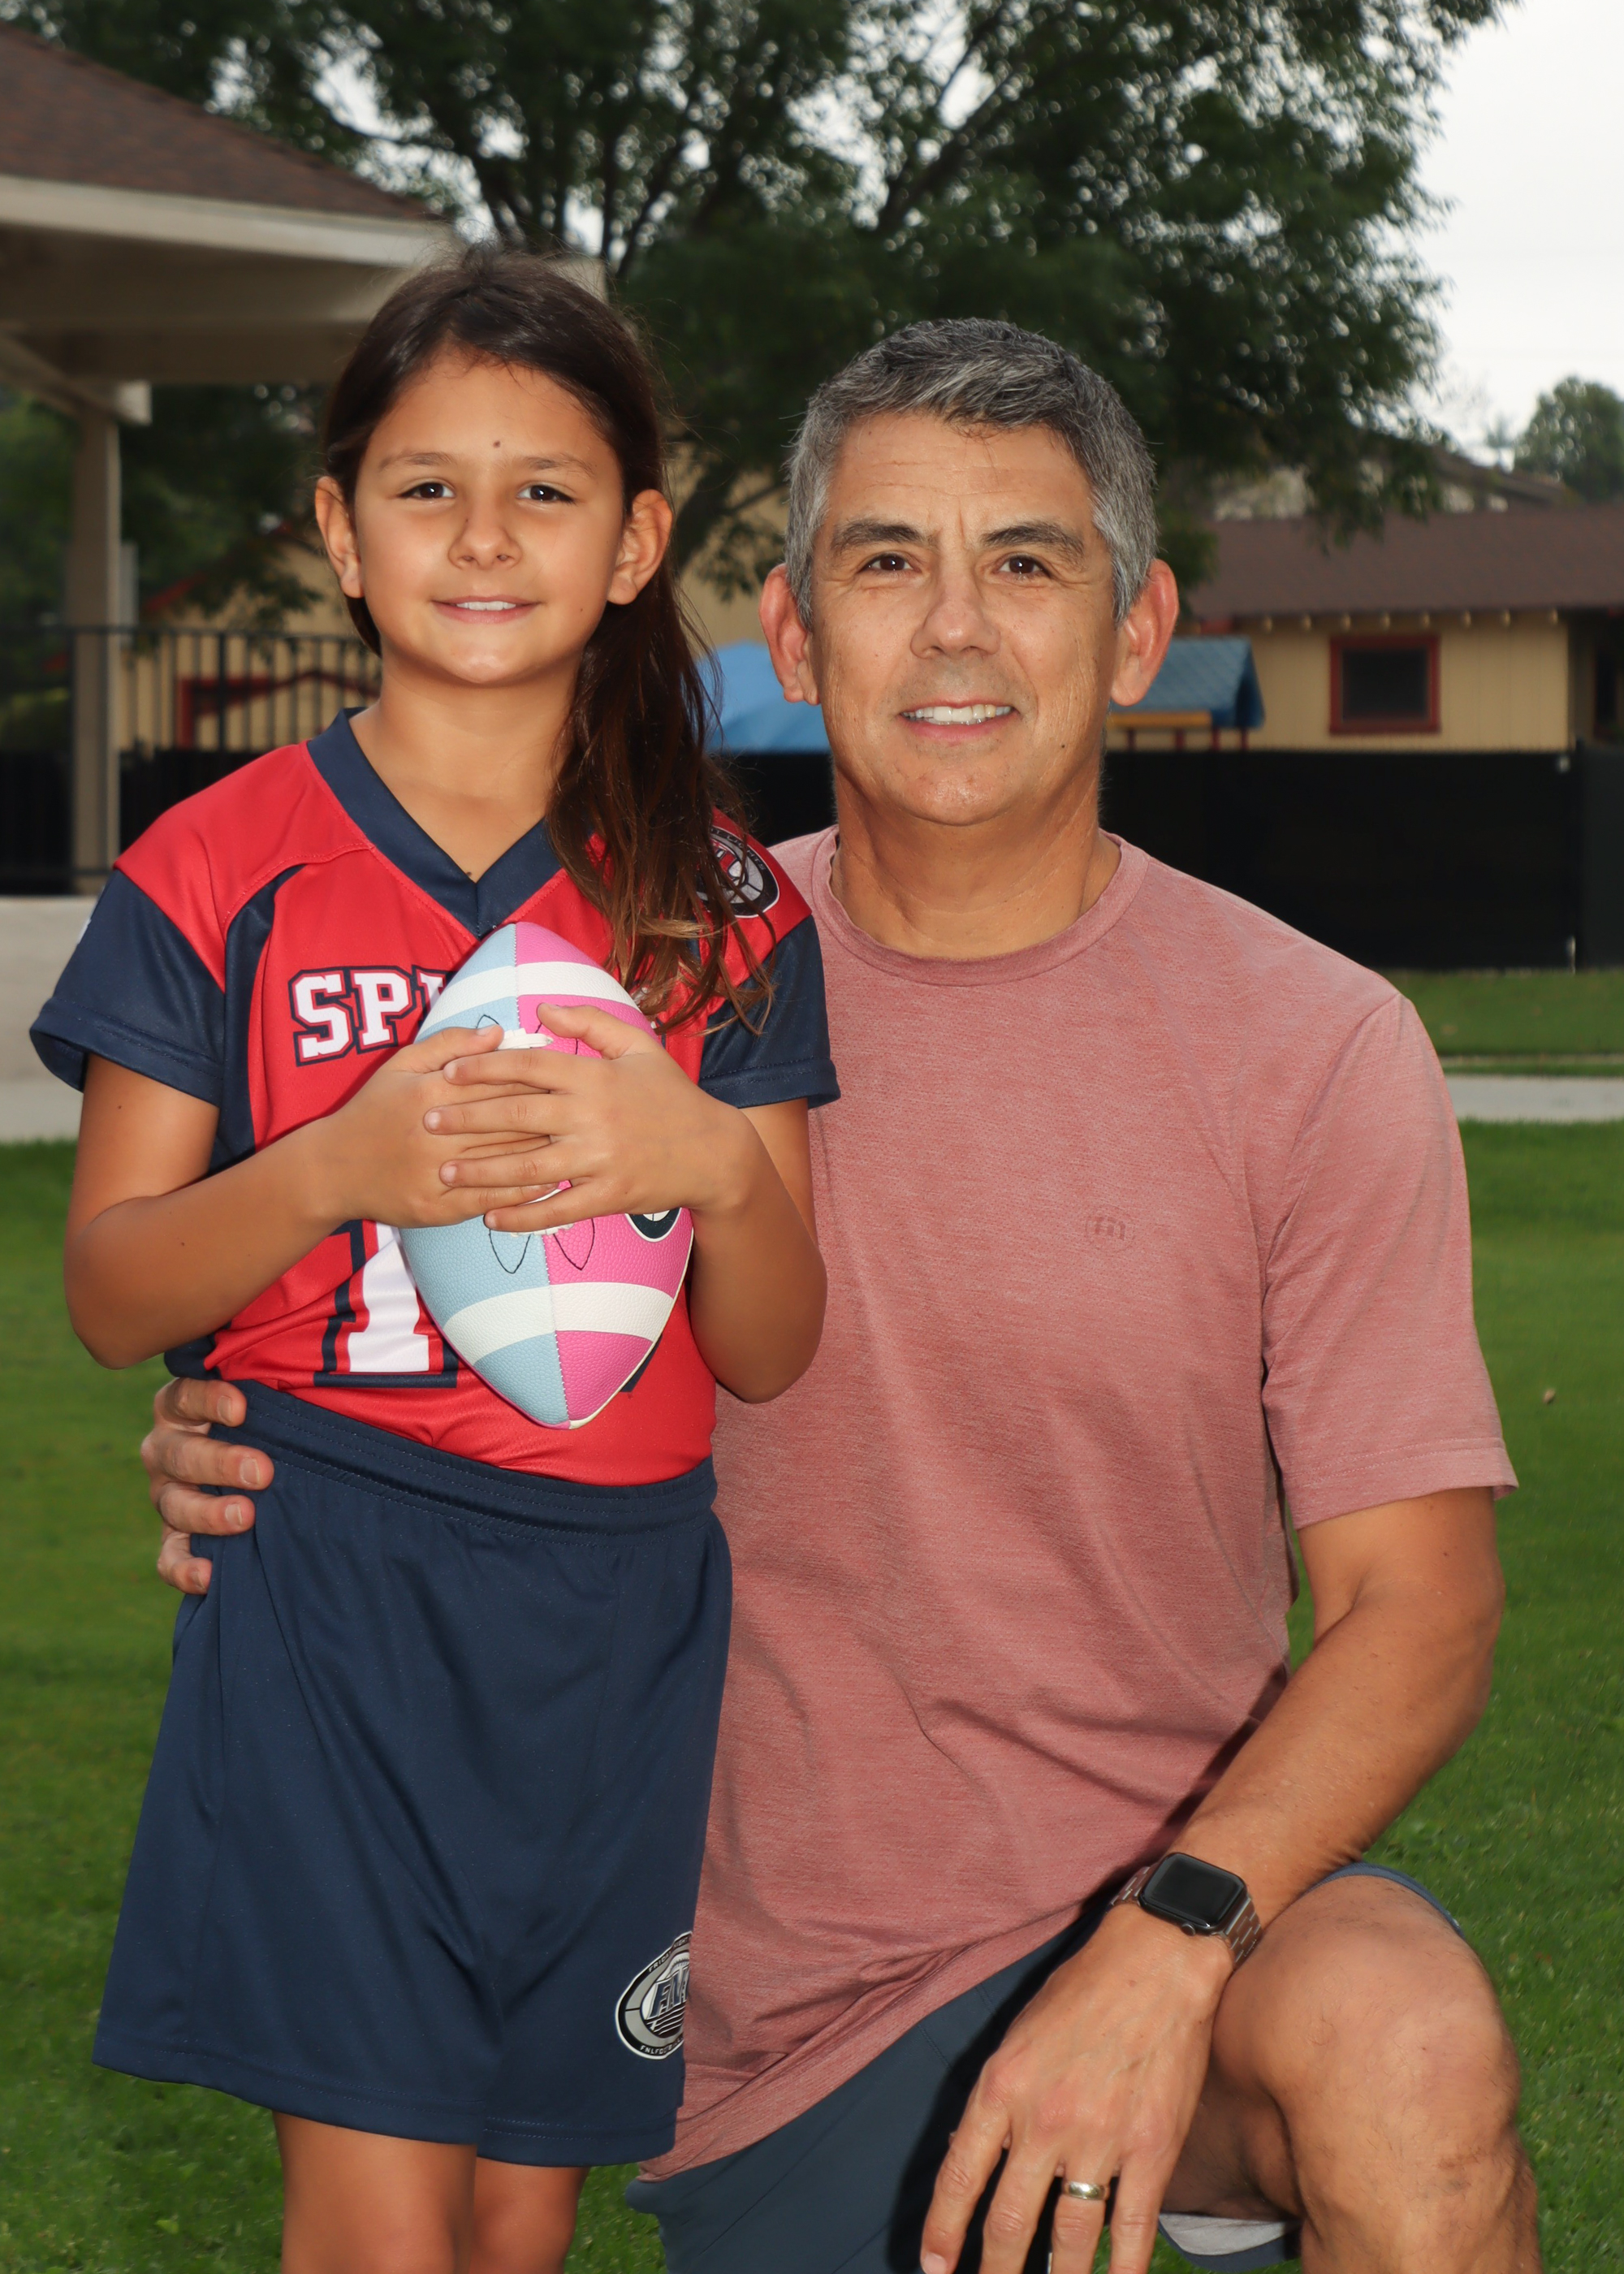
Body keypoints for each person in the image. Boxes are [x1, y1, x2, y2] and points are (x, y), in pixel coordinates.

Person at [140, 319, 1539, 2274]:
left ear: (1136, 631)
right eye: (888, 561)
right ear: (792, 636)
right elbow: (374, 1313)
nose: (955, 626)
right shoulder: (618, 977)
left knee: (1405, 2042)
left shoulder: (1313, 1044)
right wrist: (237, 1429)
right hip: (787, 2036)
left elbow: (1420, 1603)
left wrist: (1162, 1946)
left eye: (1024, 561)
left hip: (1192, 1931)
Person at [31, 248, 834, 2274]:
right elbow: (115, 1289)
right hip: (336, 1583)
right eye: (425, 486)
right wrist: (336, 1165)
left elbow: (770, 1345)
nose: (484, 535)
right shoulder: (212, 863)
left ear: (636, 542)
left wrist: (715, 1174)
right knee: (381, 2224)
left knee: (514, 2212)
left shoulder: (718, 899)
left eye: (544, 489)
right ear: (338, 529)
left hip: (620, 1607)